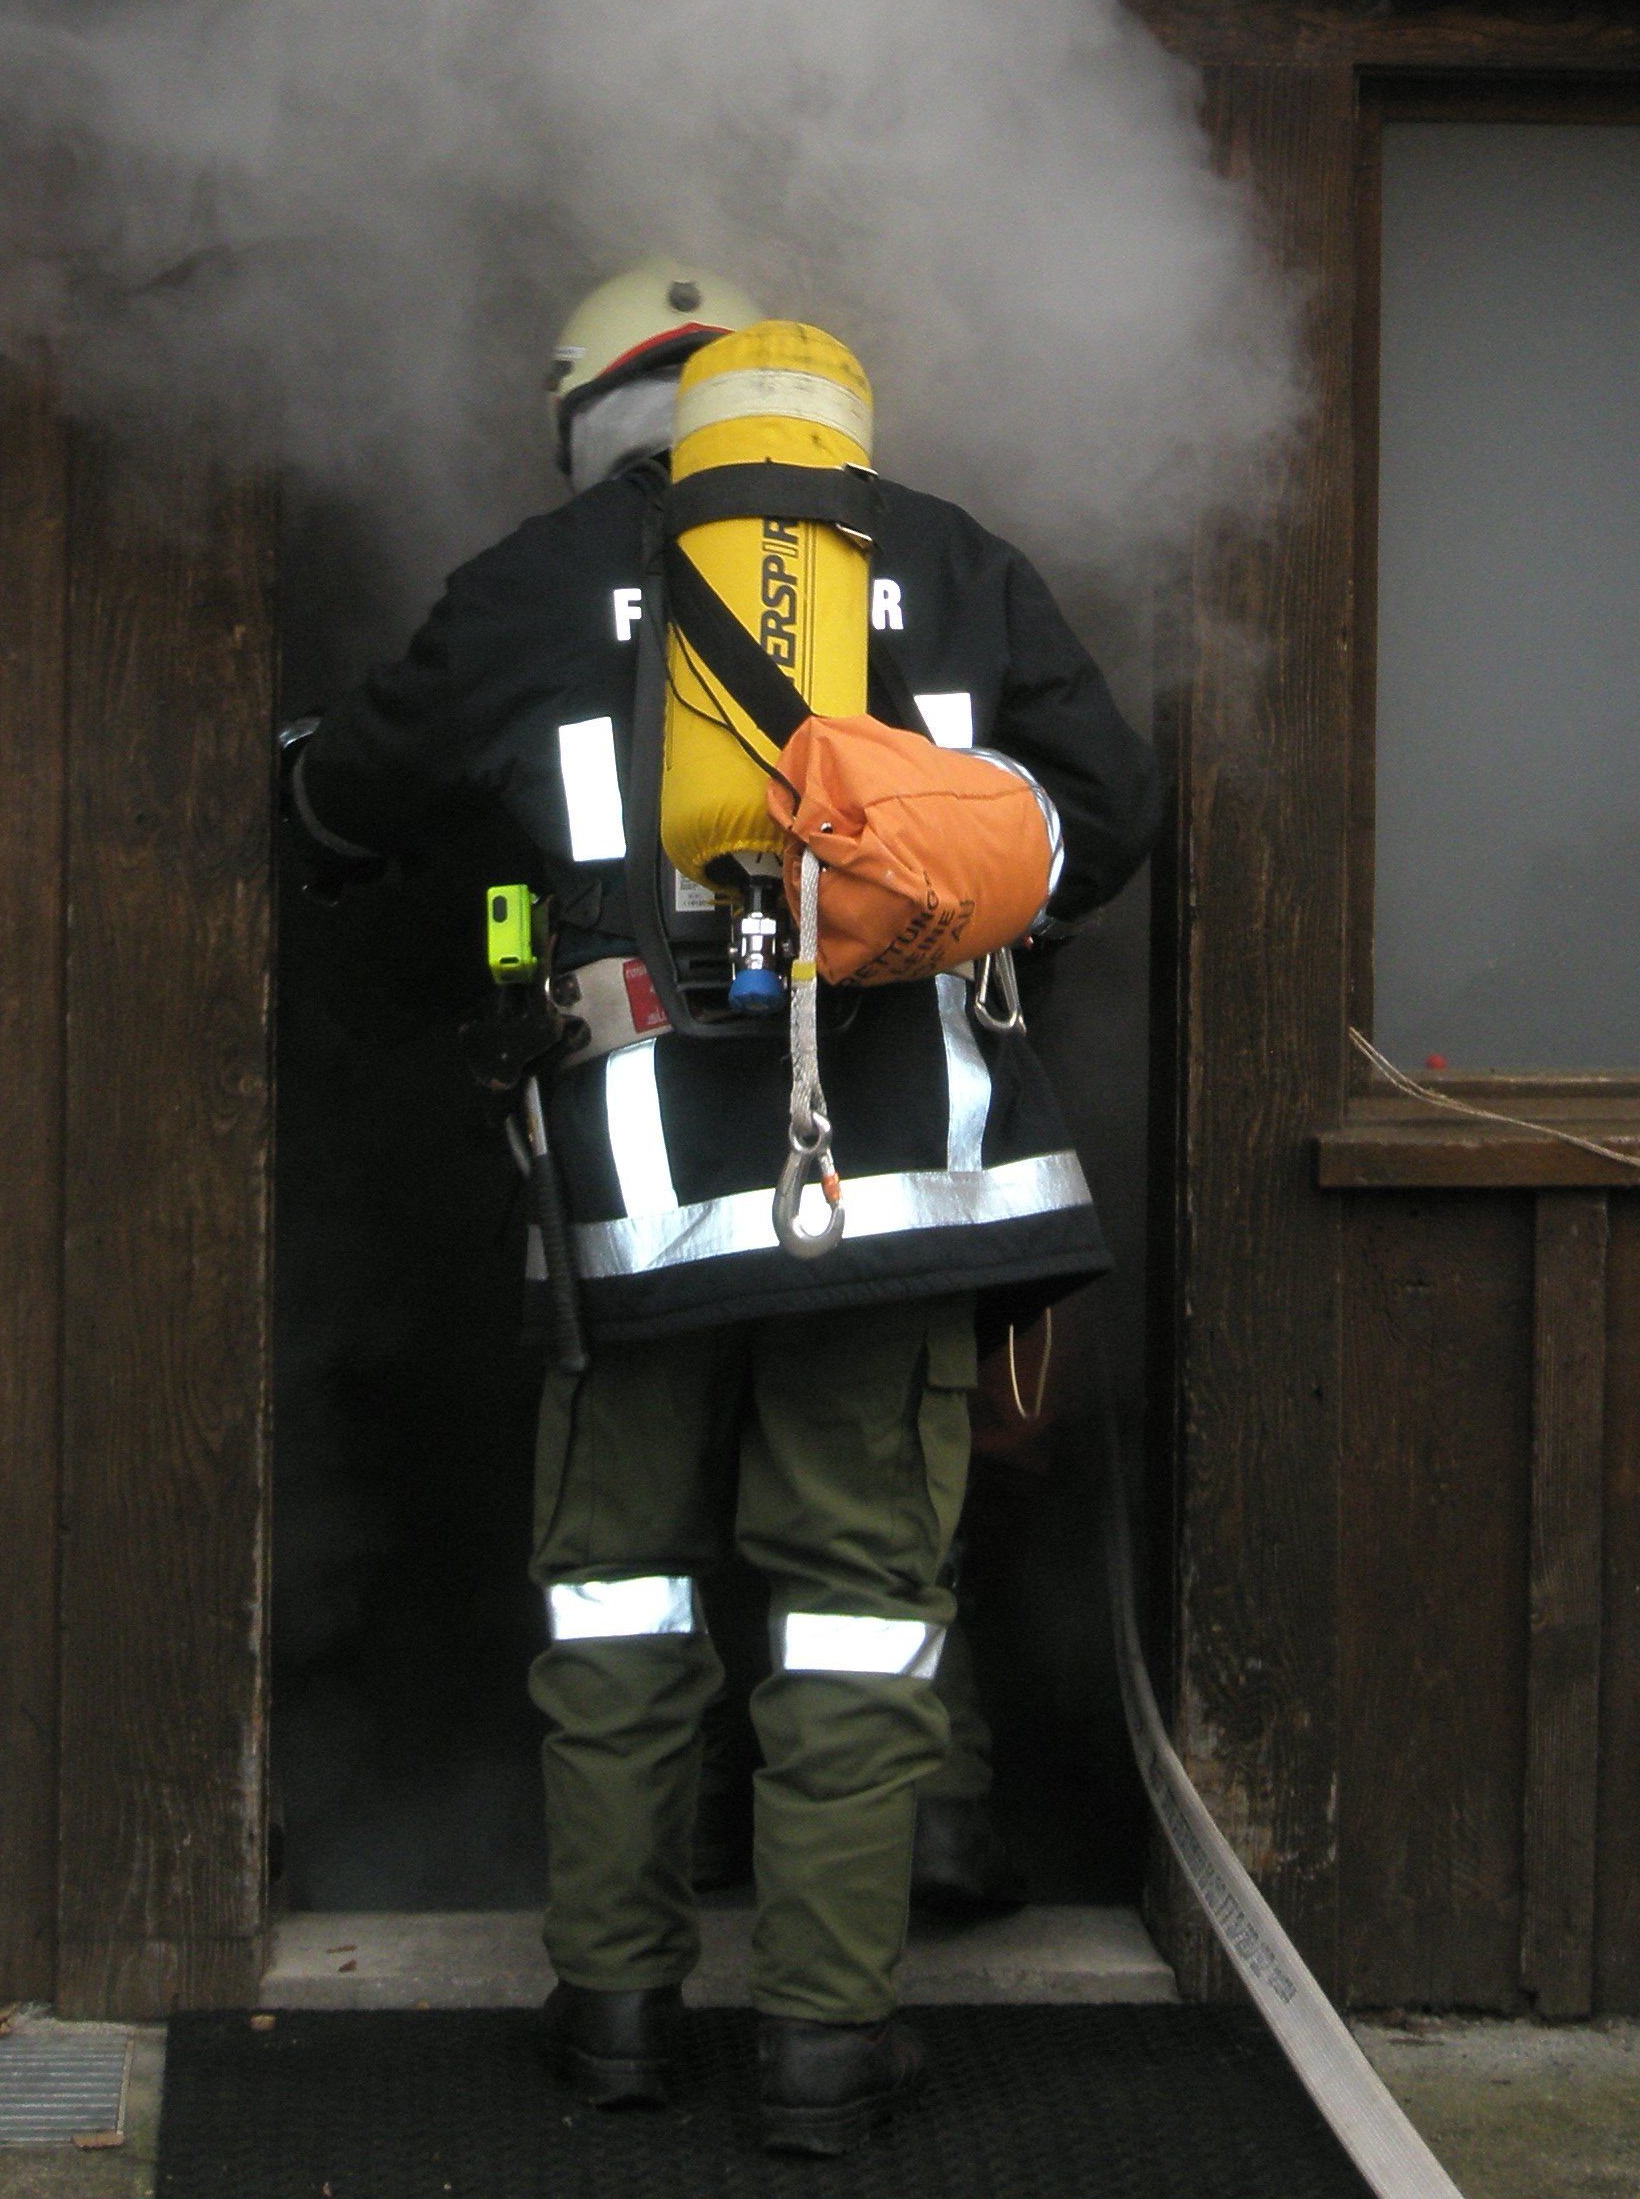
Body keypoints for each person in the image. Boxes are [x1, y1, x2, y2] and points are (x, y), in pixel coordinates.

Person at [286, 265, 1159, 2155]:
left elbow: (350, 798)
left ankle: (614, 2014)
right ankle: (827, 2047)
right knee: (858, 1604)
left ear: (594, 417)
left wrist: (328, 808)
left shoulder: (529, 584)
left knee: (615, 1594)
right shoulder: (952, 559)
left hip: (634, 1207)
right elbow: (1111, 804)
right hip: (901, 1186)